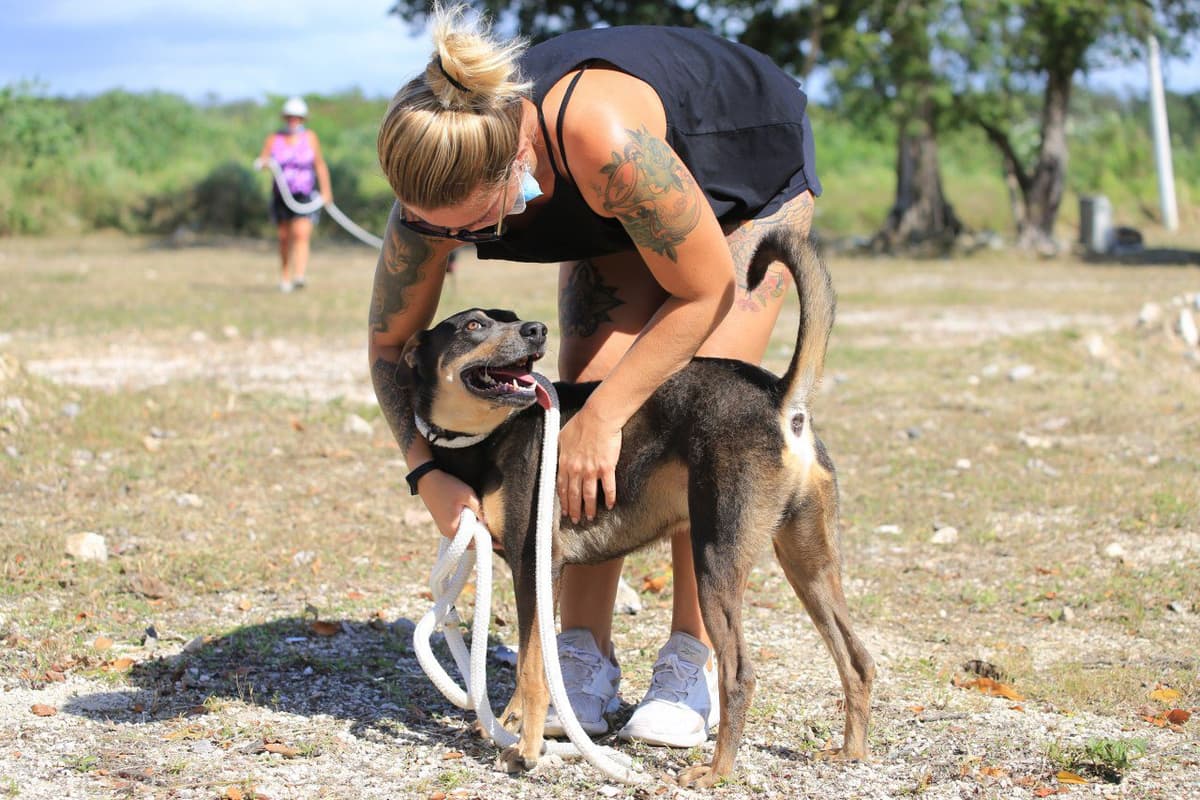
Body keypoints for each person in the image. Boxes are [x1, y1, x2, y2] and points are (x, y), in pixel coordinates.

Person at [369, 4, 820, 748]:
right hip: (609, 210)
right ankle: (577, 646)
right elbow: (391, 347)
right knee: (585, 385)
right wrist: (428, 473)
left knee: (700, 414)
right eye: (438, 229)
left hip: (744, 176)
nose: (457, 243)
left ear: (514, 158)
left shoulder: (599, 139)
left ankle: (692, 657)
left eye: (475, 227)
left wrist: (607, 418)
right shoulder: (438, 181)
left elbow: (703, 291)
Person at [256, 96, 333, 293]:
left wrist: (326, 192)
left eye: (297, 117)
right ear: (285, 118)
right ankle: (285, 276)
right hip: (281, 195)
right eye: (290, 117)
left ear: (302, 119)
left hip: (304, 194)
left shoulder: (310, 137)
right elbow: (263, 159)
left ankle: (299, 275)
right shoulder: (274, 138)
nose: (293, 120)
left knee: (301, 235)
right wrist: (264, 163)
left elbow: (319, 164)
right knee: (284, 237)